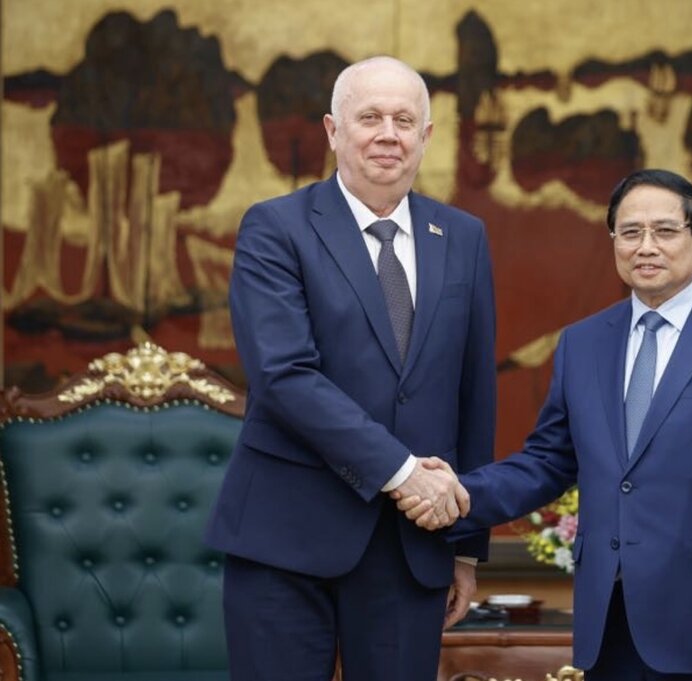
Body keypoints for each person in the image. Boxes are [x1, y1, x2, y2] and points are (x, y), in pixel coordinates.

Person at [399, 169, 692, 680]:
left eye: (665, 231)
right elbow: (549, 461)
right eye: (630, 232)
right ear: (613, 240)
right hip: (609, 623)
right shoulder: (584, 342)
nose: (647, 247)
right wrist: (456, 492)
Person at [205, 55, 496, 681]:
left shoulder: (465, 235)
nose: (387, 133)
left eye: (403, 119)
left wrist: (467, 547)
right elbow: (284, 376)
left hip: (410, 548)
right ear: (334, 131)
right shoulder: (275, 228)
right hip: (285, 540)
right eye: (369, 117)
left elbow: (473, 392)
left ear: (426, 136)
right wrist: (402, 474)